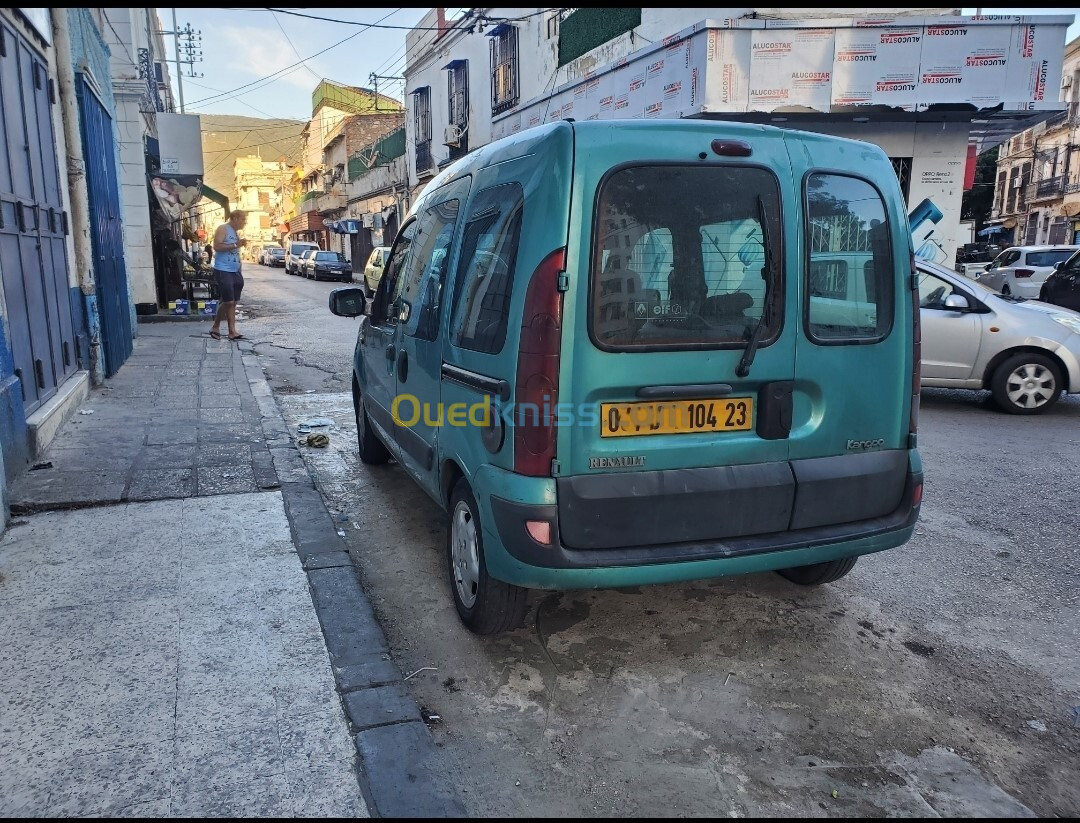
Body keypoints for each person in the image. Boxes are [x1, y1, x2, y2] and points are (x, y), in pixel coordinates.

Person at [209, 210, 248, 341]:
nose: (245, 222)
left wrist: (239, 269)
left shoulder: (235, 233)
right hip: (223, 269)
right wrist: (235, 244)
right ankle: (232, 331)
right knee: (229, 302)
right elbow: (217, 246)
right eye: (243, 219)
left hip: (235, 270)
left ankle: (215, 326)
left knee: (232, 301)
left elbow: (235, 252)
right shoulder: (223, 228)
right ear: (235, 218)